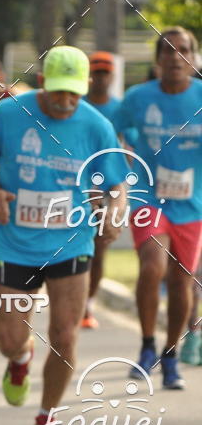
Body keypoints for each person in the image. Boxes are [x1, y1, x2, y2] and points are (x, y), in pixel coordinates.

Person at [0, 46, 126, 425]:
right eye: (58, 93)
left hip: (70, 242)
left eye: (74, 94)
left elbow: (117, 183)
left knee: (64, 335)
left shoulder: (96, 125)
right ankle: (20, 360)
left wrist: (115, 213)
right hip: (15, 242)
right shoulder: (9, 114)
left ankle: (47, 420)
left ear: (85, 88)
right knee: (9, 338)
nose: (65, 102)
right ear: (42, 83)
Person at [115, 26, 202, 389]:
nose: (174, 57)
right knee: (152, 265)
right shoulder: (138, 98)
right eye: (166, 50)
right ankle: (148, 344)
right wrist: (119, 174)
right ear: (157, 60)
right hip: (149, 198)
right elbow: (109, 133)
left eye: (182, 50)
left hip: (192, 203)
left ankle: (170, 354)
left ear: (193, 58)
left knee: (183, 281)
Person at [82, 51, 137, 329]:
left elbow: (131, 146)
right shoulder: (76, 104)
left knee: (101, 248)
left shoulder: (119, 109)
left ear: (112, 76)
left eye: (105, 72)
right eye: (96, 71)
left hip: (108, 188)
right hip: (77, 187)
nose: (101, 77)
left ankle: (87, 305)